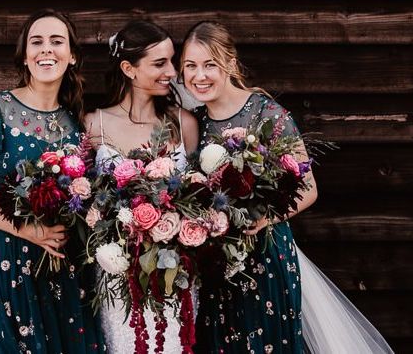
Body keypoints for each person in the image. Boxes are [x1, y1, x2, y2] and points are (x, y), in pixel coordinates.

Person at [181, 21, 394, 354]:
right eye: (190, 66)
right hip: (216, 266)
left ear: (231, 64)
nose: (200, 75)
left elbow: (308, 188)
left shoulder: (268, 115)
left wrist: (264, 218)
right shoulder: (195, 122)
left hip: (267, 257)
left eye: (210, 64)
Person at [0, 9, 105, 353]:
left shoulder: (76, 121)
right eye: (37, 42)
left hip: (69, 265)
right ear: (24, 55)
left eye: (56, 41)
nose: (46, 50)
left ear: (72, 55)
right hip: (12, 257)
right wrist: (28, 231)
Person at [84, 19, 199, 354]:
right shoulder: (93, 124)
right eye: (160, 63)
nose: (173, 72)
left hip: (174, 272)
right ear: (128, 69)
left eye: (172, 61)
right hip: (118, 274)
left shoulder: (184, 123)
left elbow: (196, 193)